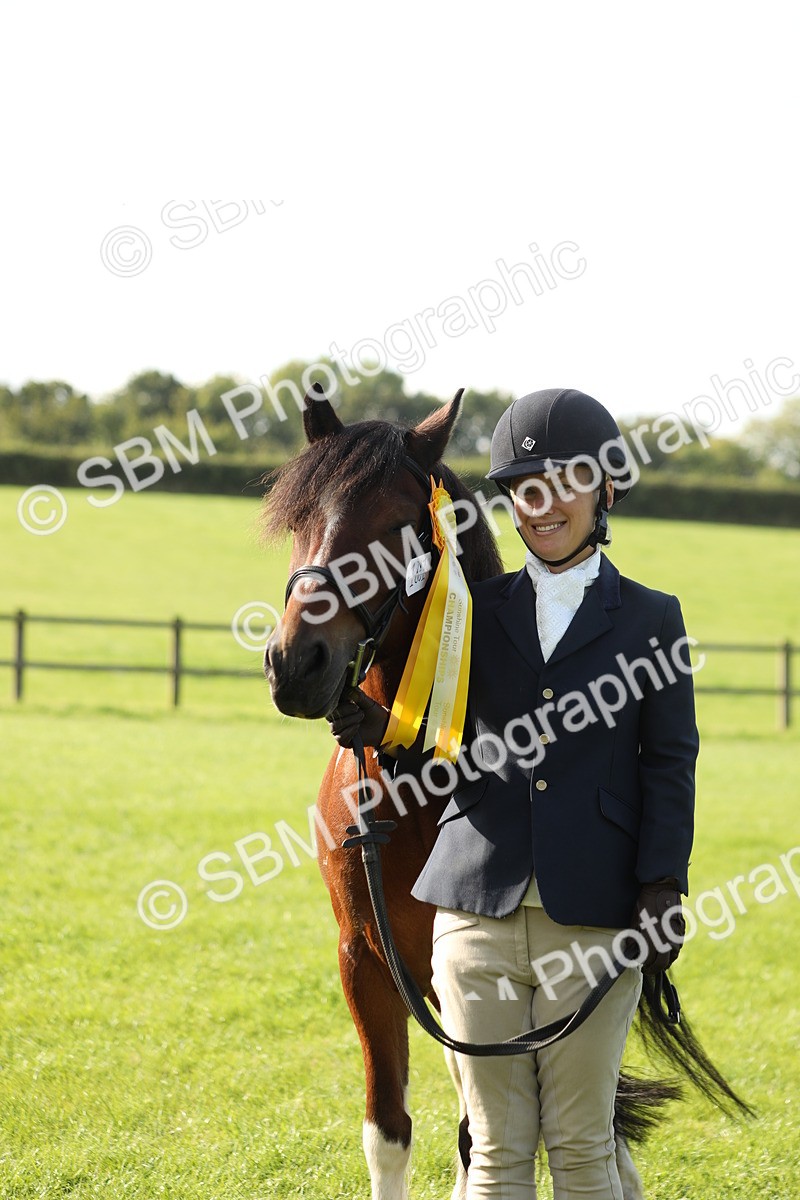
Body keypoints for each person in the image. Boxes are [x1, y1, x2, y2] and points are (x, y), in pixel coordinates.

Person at [330, 388, 699, 1200]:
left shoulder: (652, 619)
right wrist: (379, 723)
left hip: (595, 918)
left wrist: (663, 884)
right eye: (526, 487)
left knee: (581, 1150)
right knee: (494, 1154)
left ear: (606, 489)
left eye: (566, 481)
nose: (544, 503)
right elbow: (445, 732)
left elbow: (670, 763)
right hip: (475, 915)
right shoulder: (468, 613)